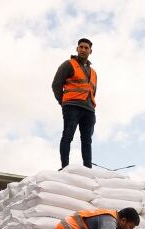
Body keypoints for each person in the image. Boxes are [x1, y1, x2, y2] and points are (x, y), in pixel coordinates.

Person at [52, 37, 97, 169]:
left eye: (86, 48)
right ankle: (65, 166)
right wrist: (63, 101)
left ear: (90, 51)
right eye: (81, 47)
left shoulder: (93, 72)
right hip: (72, 106)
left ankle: (88, 169)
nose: (83, 49)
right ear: (77, 49)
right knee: (68, 135)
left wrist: (91, 104)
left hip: (89, 109)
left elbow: (93, 90)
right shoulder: (68, 64)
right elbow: (56, 84)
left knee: (87, 140)